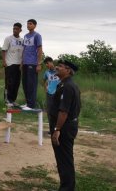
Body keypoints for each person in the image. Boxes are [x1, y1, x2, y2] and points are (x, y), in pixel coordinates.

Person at [49, 60, 81, 191]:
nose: (57, 67)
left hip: (64, 127)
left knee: (64, 160)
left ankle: (67, 188)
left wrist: (57, 129)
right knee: (64, 159)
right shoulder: (65, 84)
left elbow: (64, 111)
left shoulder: (67, 87)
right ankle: (66, 186)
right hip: (67, 126)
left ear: (68, 70)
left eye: (60, 66)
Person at [21, 19, 43, 110]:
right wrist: (21, 62)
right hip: (25, 62)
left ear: (35, 25)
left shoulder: (37, 36)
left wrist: (39, 63)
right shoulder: (25, 36)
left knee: (31, 84)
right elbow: (24, 49)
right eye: (27, 24)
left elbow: (40, 50)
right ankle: (27, 102)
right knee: (25, 83)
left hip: (33, 63)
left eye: (30, 24)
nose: (28, 25)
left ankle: (31, 105)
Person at [1, 22, 24, 107]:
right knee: (9, 83)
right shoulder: (8, 39)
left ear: (20, 30)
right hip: (10, 64)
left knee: (16, 83)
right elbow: (3, 50)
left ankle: (13, 100)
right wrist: (4, 61)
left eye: (17, 29)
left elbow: (23, 52)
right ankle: (7, 100)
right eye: (14, 28)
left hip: (18, 65)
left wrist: (22, 63)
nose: (15, 30)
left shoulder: (22, 41)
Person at [43, 56, 60, 126]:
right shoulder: (47, 72)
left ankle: (58, 127)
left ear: (51, 62)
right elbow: (44, 80)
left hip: (58, 93)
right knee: (49, 111)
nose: (47, 65)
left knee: (58, 110)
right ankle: (51, 127)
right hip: (49, 93)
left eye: (47, 63)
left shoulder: (58, 70)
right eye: (46, 64)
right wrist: (46, 88)